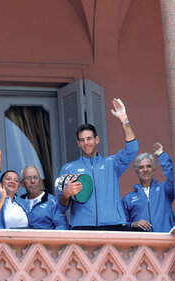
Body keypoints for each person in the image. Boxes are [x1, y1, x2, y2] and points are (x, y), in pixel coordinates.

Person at [58, 98, 138, 230]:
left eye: (89, 139)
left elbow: (132, 149)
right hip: (82, 227)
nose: (86, 143)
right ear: (78, 143)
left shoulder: (112, 163)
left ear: (97, 140)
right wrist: (66, 194)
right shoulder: (68, 168)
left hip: (113, 225)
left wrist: (124, 119)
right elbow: (61, 207)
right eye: (82, 140)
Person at [122, 142, 174, 232]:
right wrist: (134, 224)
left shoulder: (164, 189)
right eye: (141, 167)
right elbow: (121, 225)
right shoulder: (128, 198)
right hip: (142, 244)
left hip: (165, 242)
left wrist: (161, 155)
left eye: (148, 166)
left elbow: (170, 176)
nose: (145, 170)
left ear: (153, 169)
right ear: (137, 171)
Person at [0, 150, 28, 229]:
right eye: (8, 179)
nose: (12, 182)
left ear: (18, 186)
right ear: (1, 183)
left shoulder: (24, 203)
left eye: (16, 180)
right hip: (3, 240)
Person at [20, 165, 68, 229]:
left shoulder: (52, 201)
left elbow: (62, 226)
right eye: (28, 178)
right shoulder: (18, 202)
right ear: (22, 183)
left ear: (41, 181)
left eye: (35, 177)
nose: (32, 181)